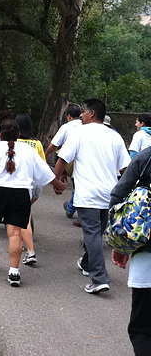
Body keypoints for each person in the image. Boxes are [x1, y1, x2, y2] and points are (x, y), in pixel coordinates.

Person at [0, 119, 65, 287]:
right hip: (20, 194)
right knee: (15, 233)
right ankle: (14, 272)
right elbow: (45, 173)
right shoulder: (29, 151)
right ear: (18, 135)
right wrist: (59, 186)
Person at [54, 98, 130, 294]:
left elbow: (63, 159)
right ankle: (87, 264)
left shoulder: (80, 133)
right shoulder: (115, 136)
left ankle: (99, 278)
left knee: (93, 235)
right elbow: (126, 169)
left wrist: (56, 182)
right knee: (96, 235)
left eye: (83, 111)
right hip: (110, 195)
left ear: (92, 113)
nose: (81, 115)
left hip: (88, 194)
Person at [110, 147, 151, 355]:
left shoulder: (147, 157)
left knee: (143, 330)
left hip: (147, 255)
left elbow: (119, 195)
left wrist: (120, 245)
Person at [15, 113, 45, 266]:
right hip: (36, 186)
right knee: (23, 211)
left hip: (21, 183)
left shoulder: (13, 143)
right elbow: (42, 166)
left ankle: (30, 250)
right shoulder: (37, 144)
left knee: (23, 216)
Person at [44, 103, 83, 221]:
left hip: (69, 161)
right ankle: (71, 207)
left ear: (69, 116)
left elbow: (53, 145)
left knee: (61, 155)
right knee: (79, 183)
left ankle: (60, 183)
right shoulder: (86, 126)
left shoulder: (67, 126)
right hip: (84, 159)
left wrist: (45, 154)